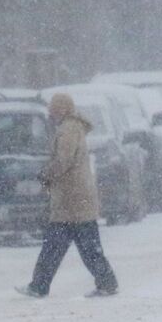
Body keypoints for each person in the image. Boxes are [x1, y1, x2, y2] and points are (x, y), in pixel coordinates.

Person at [17, 92, 119, 298]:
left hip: (71, 199)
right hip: (76, 199)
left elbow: (63, 161)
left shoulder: (68, 129)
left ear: (63, 109)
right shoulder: (72, 128)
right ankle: (106, 282)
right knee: (84, 247)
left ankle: (39, 286)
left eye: (53, 108)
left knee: (56, 247)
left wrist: (46, 174)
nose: (50, 112)